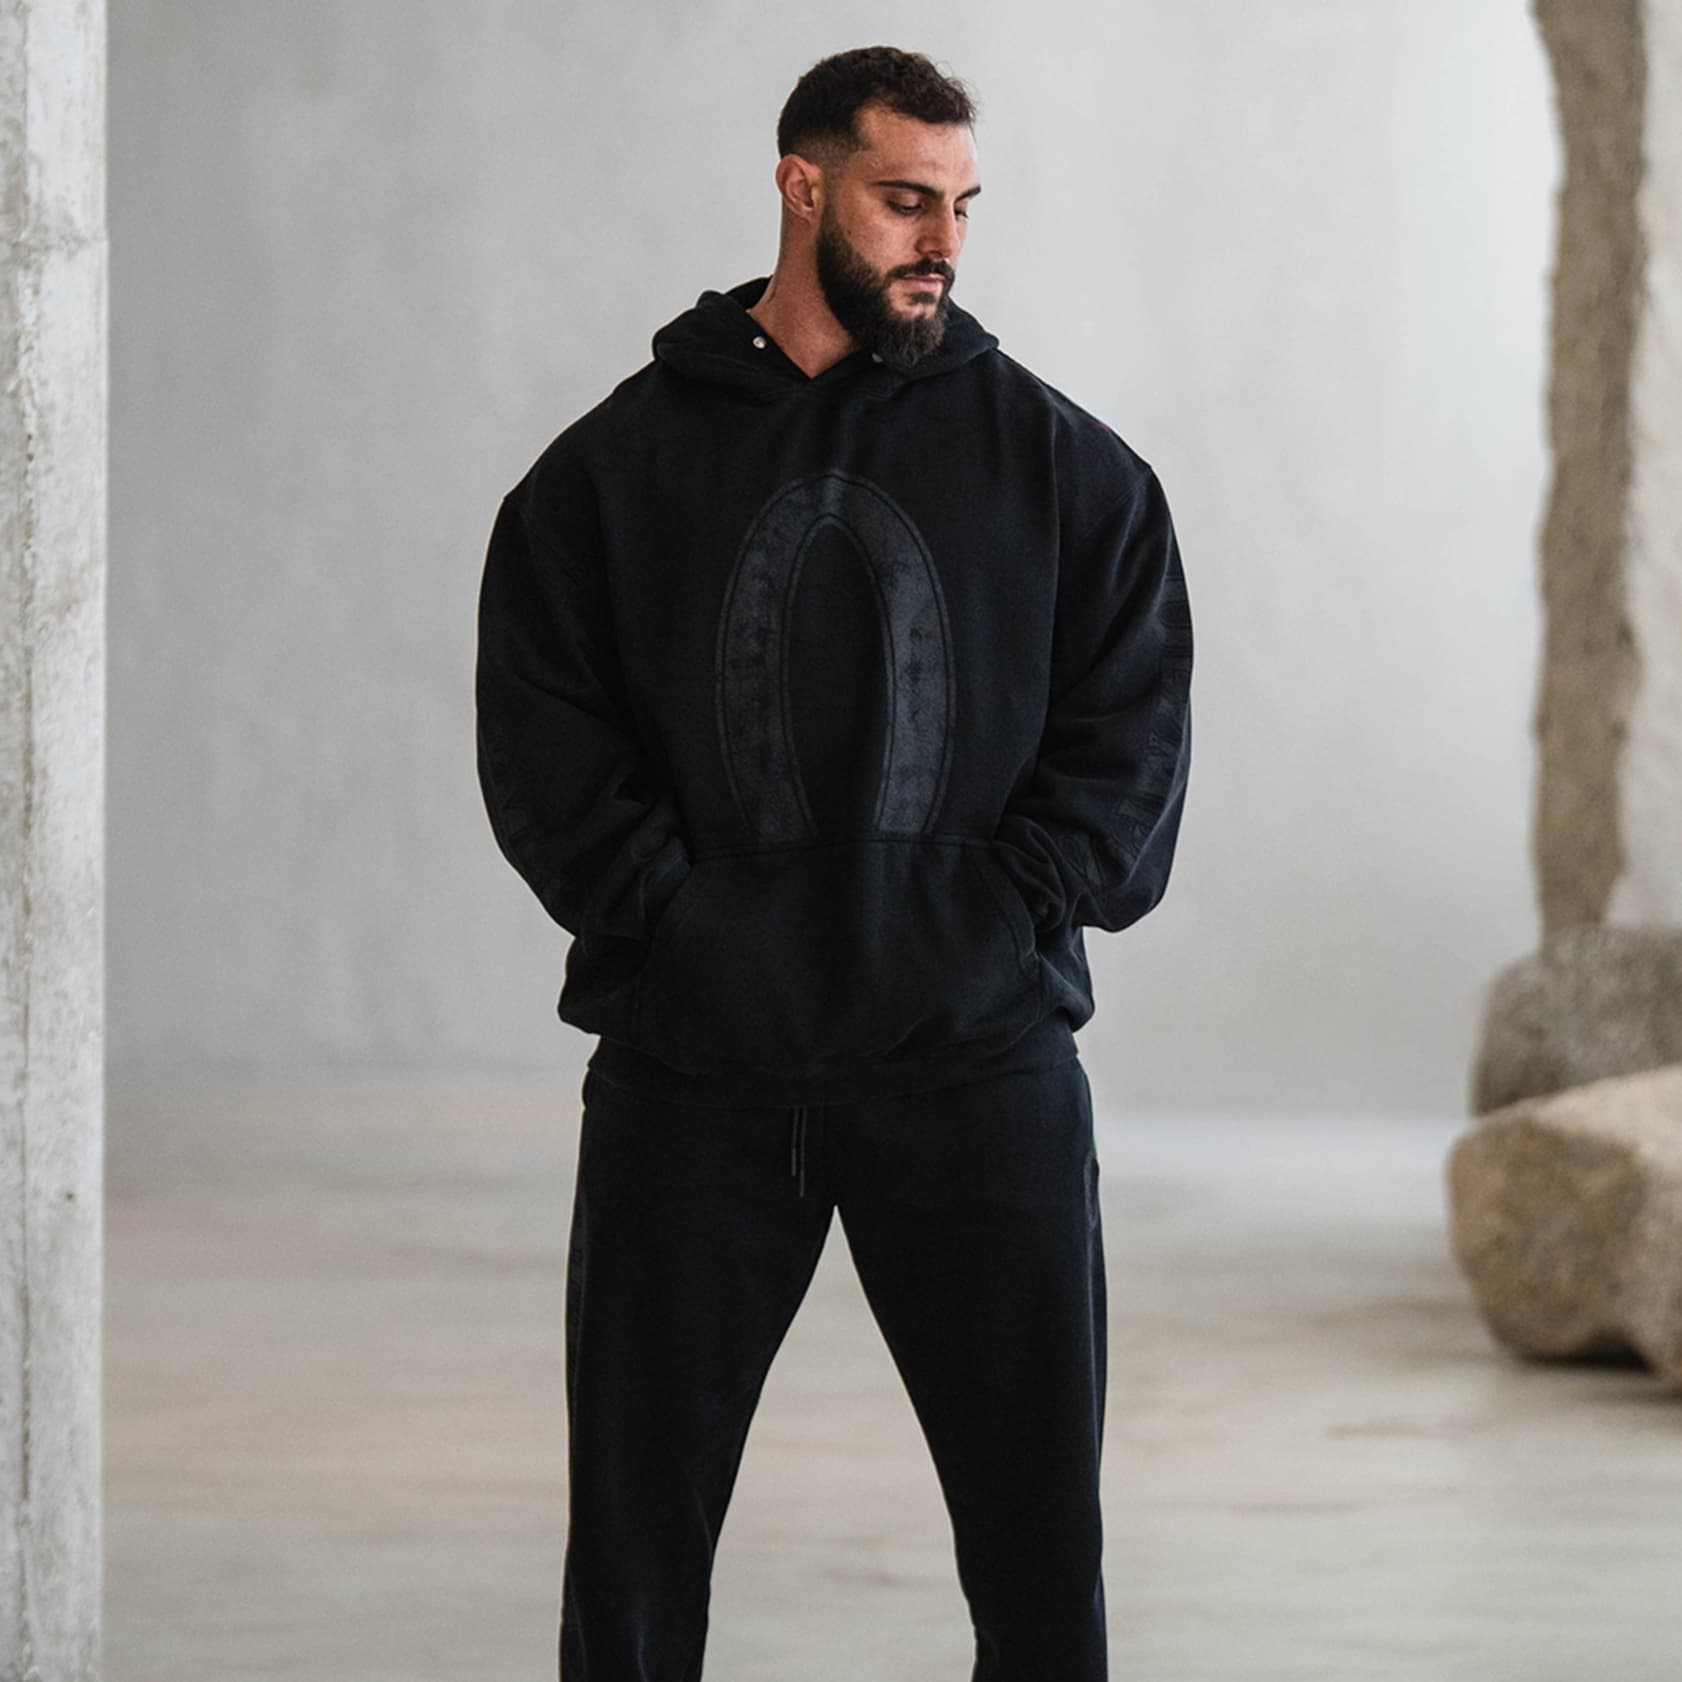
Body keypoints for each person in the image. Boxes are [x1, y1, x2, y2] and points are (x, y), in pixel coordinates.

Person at [475, 42, 1193, 1682]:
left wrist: (996, 925)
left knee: (1039, 1559)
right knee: (633, 1565)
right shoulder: (606, 475)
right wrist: (684, 929)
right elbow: (543, 748)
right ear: (802, 189)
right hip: (696, 1080)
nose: (941, 241)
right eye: (902, 201)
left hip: (977, 1070)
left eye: (961, 206)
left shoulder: (1067, 471)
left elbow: (1130, 747)